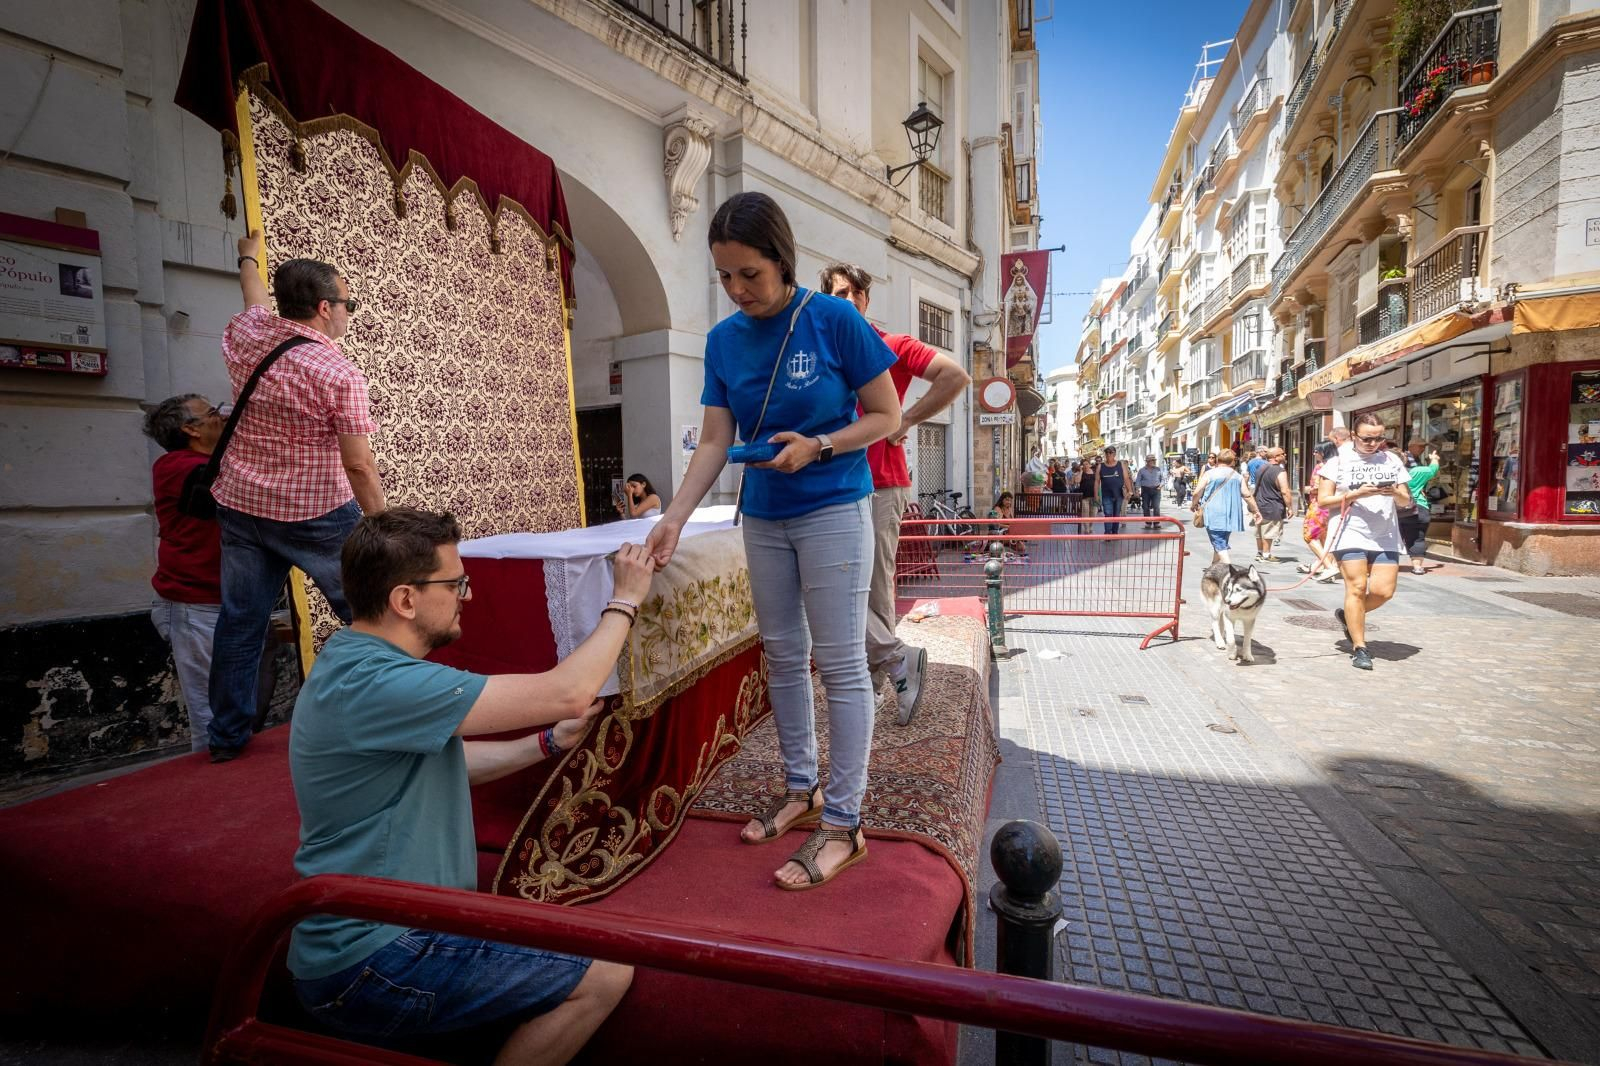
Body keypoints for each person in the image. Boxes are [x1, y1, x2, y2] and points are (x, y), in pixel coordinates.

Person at [288, 508, 652, 1062]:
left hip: (372, 940)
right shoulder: (382, 681)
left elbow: (447, 764)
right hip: (377, 958)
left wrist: (546, 745)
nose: (467, 596)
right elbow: (569, 691)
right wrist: (624, 599)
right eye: (455, 583)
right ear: (405, 600)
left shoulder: (352, 660)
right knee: (605, 974)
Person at [644, 192, 900, 890]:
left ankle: (845, 824)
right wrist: (671, 515)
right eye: (724, 276)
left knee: (842, 664)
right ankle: (802, 788)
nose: (737, 291)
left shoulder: (833, 319)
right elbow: (717, 440)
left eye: (749, 274)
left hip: (832, 509)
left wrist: (818, 445)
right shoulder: (724, 341)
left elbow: (885, 413)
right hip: (763, 513)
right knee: (783, 657)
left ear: (782, 262)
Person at [206, 229, 386, 763]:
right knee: (372, 615)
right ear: (325, 308)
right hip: (317, 514)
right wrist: (384, 528)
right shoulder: (338, 372)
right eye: (348, 304)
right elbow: (358, 464)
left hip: (241, 506)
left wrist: (246, 256)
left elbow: (253, 296)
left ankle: (226, 738)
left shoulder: (248, 333)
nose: (350, 314)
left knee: (241, 622)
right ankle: (381, 723)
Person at [819, 262, 969, 722]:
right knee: (839, 581)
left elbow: (955, 376)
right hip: (833, 483)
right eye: (836, 295)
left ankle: (881, 678)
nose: (844, 302)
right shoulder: (823, 351)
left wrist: (906, 419)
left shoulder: (891, 344)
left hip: (883, 481)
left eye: (852, 294)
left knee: (875, 583)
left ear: (865, 299)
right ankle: (888, 667)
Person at [143, 394, 226, 752]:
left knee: (232, 707)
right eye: (212, 413)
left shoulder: (204, 464)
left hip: (219, 600)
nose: (220, 417)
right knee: (209, 716)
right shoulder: (176, 466)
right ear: (190, 429)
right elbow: (227, 480)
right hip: (194, 605)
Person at [1317, 412, 1412, 671]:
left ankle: (1350, 616)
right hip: (1350, 531)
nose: (1373, 444)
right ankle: (1360, 647)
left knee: (1384, 591)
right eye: (1367, 439)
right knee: (1356, 588)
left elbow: (1406, 500)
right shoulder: (1337, 462)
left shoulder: (1391, 460)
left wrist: (1394, 492)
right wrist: (1355, 494)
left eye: (1379, 438)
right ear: (1354, 435)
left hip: (1385, 535)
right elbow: (1323, 500)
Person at [1191, 448, 1261, 565]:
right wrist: (1256, 510)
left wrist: (1194, 504)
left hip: (1213, 512)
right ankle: (1214, 566)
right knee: (1221, 540)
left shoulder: (1210, 474)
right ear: (1233, 462)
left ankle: (1229, 569)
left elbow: (1197, 492)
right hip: (1231, 513)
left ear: (1218, 460)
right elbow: (1247, 495)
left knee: (1219, 542)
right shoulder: (1237, 476)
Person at [1298, 440, 1341, 583]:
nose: (1314, 453)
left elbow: (1317, 488)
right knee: (1325, 538)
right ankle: (1325, 566)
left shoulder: (1321, 467)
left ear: (1323, 452)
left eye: (1317, 451)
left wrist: (1307, 489)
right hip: (1333, 506)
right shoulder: (1339, 465)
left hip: (1319, 506)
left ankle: (1329, 567)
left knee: (1310, 536)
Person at [1401, 438, 1442, 576]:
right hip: (1418, 507)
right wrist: (1435, 458)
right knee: (1417, 537)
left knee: (1391, 537)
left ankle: (1384, 565)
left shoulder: (1390, 473)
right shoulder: (1418, 471)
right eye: (1421, 446)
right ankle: (1417, 566)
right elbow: (1433, 469)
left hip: (1397, 508)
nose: (1423, 449)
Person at [1253, 447, 1294, 563]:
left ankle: (1260, 552)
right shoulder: (1279, 471)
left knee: (1260, 530)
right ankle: (1266, 555)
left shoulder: (1261, 468)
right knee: (1269, 531)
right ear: (1275, 457)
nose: (1285, 455)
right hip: (1273, 504)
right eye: (1282, 454)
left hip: (1259, 504)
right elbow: (1285, 490)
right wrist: (1290, 507)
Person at [1097, 446, 1135, 534]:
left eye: (1110, 453)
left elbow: (1126, 478)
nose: (1108, 455)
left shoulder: (1121, 465)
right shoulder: (1100, 466)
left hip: (1119, 495)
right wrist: (1096, 495)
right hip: (1106, 495)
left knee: (1116, 514)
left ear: (1114, 454)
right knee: (1108, 513)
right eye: (1107, 453)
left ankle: (1114, 532)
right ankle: (1107, 533)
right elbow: (1097, 482)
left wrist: (1130, 491)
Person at [1133, 455, 1166, 529]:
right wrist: (1137, 490)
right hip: (1146, 490)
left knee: (1156, 507)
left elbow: (1163, 479)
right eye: (1152, 460)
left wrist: (1161, 486)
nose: (1154, 461)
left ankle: (1156, 523)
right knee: (1145, 507)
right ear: (1147, 461)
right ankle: (1148, 523)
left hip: (1156, 489)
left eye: (1154, 460)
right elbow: (1138, 480)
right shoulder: (1142, 470)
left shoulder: (1158, 469)